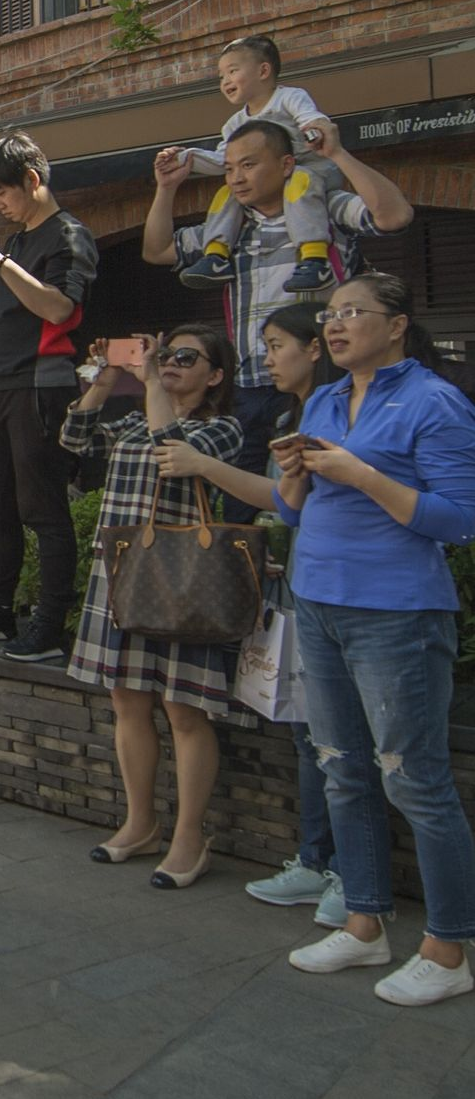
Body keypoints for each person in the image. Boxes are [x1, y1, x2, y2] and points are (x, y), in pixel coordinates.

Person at [275, 273, 475, 1007]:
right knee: (341, 768)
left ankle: (448, 947)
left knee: (413, 779)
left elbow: (457, 519)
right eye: (328, 315)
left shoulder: (434, 401)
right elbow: (287, 510)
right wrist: (293, 474)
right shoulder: (324, 398)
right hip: (317, 600)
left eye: (352, 312)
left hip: (395, 612)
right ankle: (363, 925)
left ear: (396, 324)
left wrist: (360, 474)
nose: (334, 325)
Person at [153, 303, 347, 925]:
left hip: (350, 590)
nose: (268, 356)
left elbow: (278, 498)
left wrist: (205, 467)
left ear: (315, 348)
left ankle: (352, 876)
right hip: (302, 584)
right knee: (310, 733)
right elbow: (286, 507)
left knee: (354, 744)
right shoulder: (301, 412)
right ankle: (318, 860)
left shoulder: (331, 410)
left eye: (276, 343)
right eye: (263, 345)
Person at [145, 116, 414, 521]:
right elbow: (158, 249)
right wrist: (167, 189)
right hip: (252, 382)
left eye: (249, 165)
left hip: (322, 380)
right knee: (240, 508)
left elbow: (394, 216)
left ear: (287, 164)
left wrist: (338, 154)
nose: (236, 178)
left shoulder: (321, 205)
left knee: (323, 498)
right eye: (230, 168)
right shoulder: (231, 225)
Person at [62, 324, 246, 889]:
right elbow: (74, 439)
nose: (168, 363)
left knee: (184, 711)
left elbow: (174, 452)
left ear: (214, 375)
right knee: (127, 702)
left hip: (182, 577)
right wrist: (104, 379)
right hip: (121, 568)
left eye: (185, 357)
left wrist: (148, 385)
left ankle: (189, 836)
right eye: (165, 355)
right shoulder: (133, 418)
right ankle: (140, 823)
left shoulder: (221, 428)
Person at [0, 131, 100, 663]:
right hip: (4, 386)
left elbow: (59, 310)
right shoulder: (14, 244)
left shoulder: (70, 236)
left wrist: (0, 265)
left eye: (1, 194)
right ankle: (0, 611)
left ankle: (50, 625)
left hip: (44, 385)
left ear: (32, 181)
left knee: (44, 508)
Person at [162, 35, 343, 294]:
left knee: (300, 179)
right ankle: (216, 256)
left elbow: (310, 118)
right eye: (221, 76)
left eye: (232, 71)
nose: (225, 81)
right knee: (228, 191)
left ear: (263, 70)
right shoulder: (234, 124)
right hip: (275, 181)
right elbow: (221, 161)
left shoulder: (290, 97)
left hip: (312, 171)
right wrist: (185, 158)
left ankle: (315, 258)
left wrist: (316, 130)